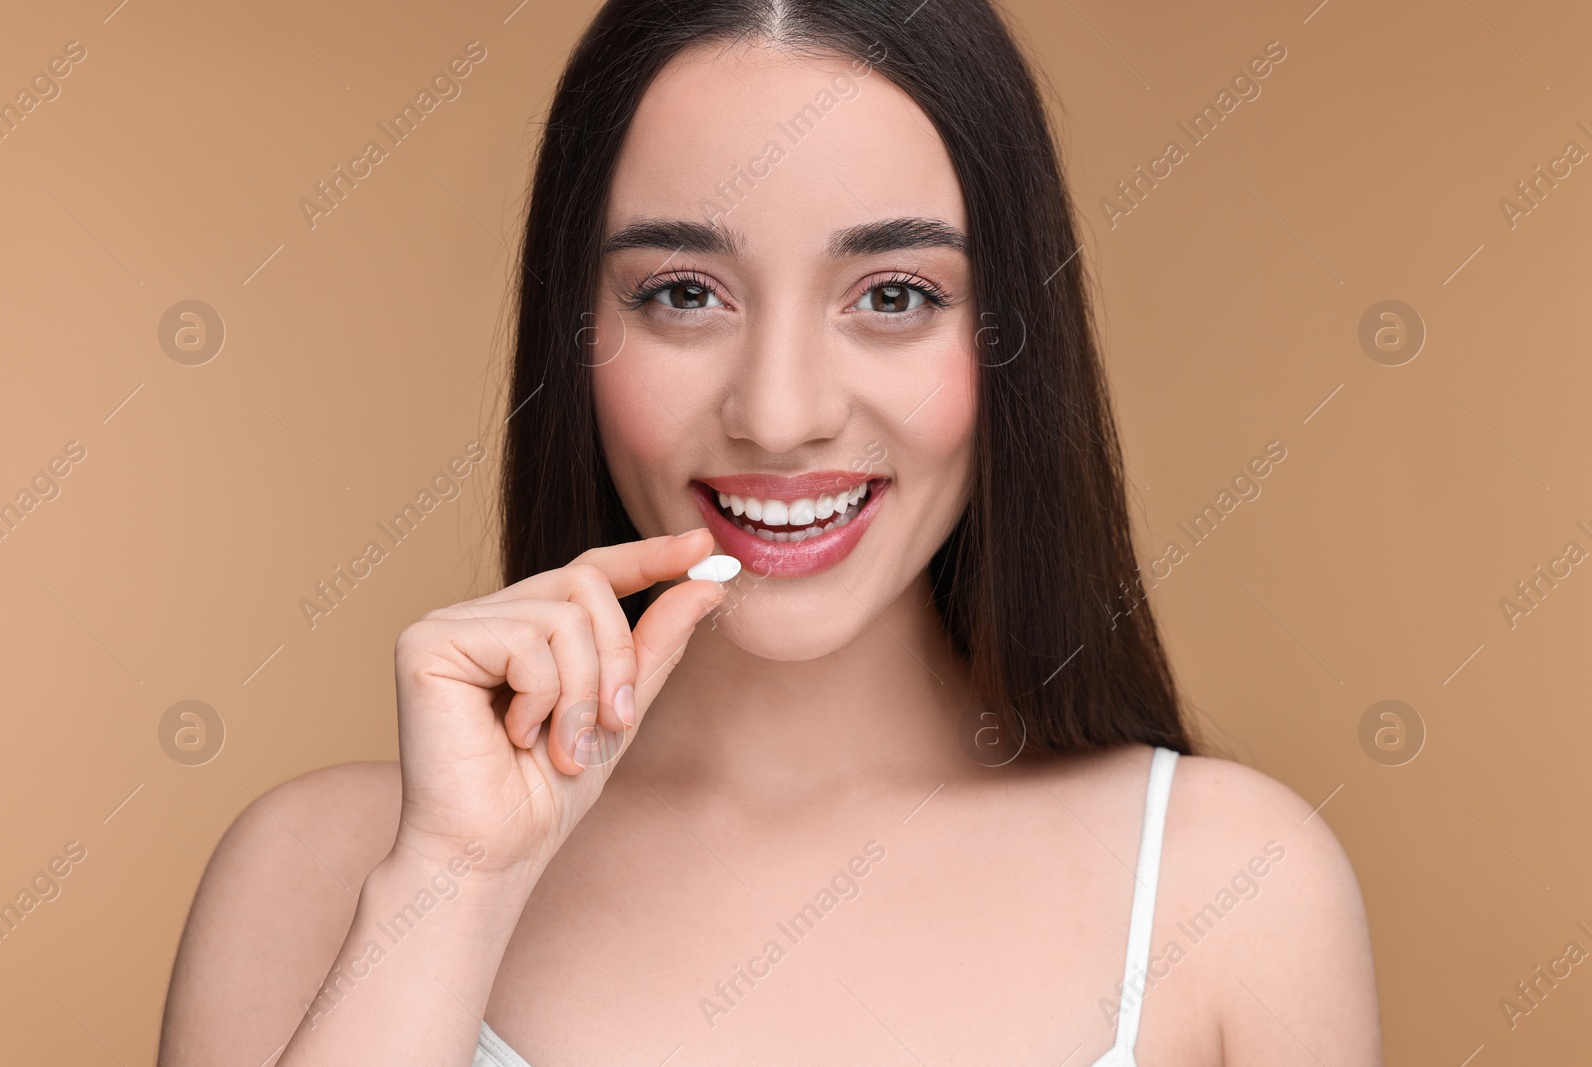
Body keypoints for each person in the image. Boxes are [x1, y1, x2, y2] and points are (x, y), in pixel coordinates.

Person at [159, 1, 1381, 1063]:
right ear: (572, 335)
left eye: (893, 296)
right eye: (684, 294)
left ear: (1011, 337)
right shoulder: (316, 878)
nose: (780, 413)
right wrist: (450, 888)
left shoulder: (1232, 888)